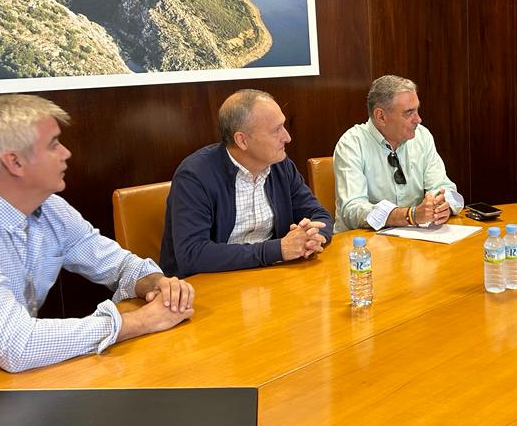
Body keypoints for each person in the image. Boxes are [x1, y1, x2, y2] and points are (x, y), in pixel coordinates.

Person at [0, 94, 194, 408]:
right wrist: (141, 322)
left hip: (7, 391)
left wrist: (156, 283)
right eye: (53, 144)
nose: (67, 153)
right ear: (14, 162)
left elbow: (120, 264)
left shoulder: (48, 208)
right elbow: (17, 345)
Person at [161, 89, 332, 278]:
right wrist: (277, 250)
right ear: (242, 140)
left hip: (270, 277)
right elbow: (192, 254)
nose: (287, 137)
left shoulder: (280, 166)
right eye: (276, 130)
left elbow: (319, 214)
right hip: (209, 286)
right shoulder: (194, 176)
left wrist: (312, 238)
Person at [333, 74, 463, 234]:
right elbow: (352, 211)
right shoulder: (352, 144)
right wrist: (409, 215)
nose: (419, 119)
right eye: (409, 113)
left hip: (413, 242)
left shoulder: (422, 136)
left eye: (417, 110)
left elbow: (444, 188)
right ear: (380, 116)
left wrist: (443, 205)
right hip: (362, 247)